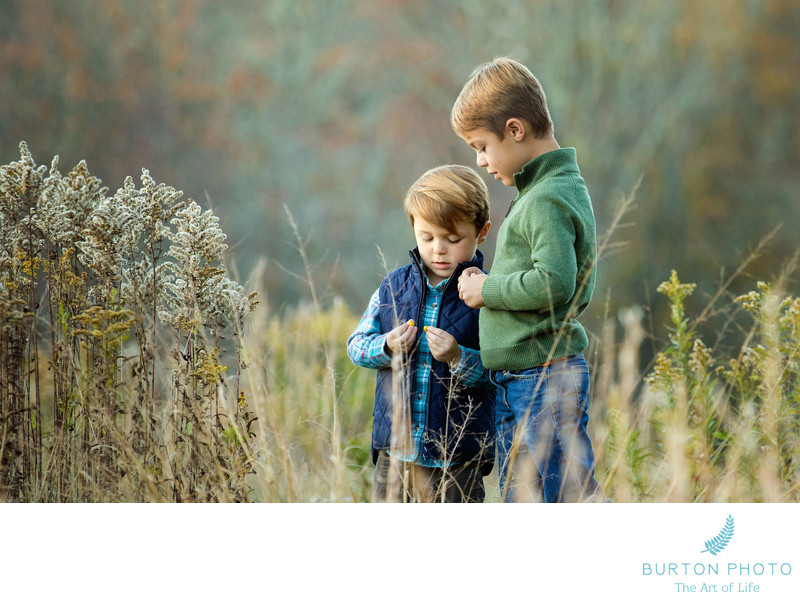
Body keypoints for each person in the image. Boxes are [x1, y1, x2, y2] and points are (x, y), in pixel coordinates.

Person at [452, 56, 605, 502]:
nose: (480, 161)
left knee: (567, 498)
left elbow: (553, 284)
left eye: (481, 146)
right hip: (521, 378)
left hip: (542, 380)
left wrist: (486, 290)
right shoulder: (549, 188)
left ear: (515, 130)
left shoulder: (544, 198)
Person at [347, 164, 495, 502]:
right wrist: (385, 345)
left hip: (459, 456)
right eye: (427, 237)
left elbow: (499, 373)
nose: (438, 249)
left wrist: (459, 357)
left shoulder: (489, 294)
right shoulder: (393, 288)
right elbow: (356, 346)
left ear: (481, 232)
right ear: (414, 228)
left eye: (453, 239)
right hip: (396, 452)